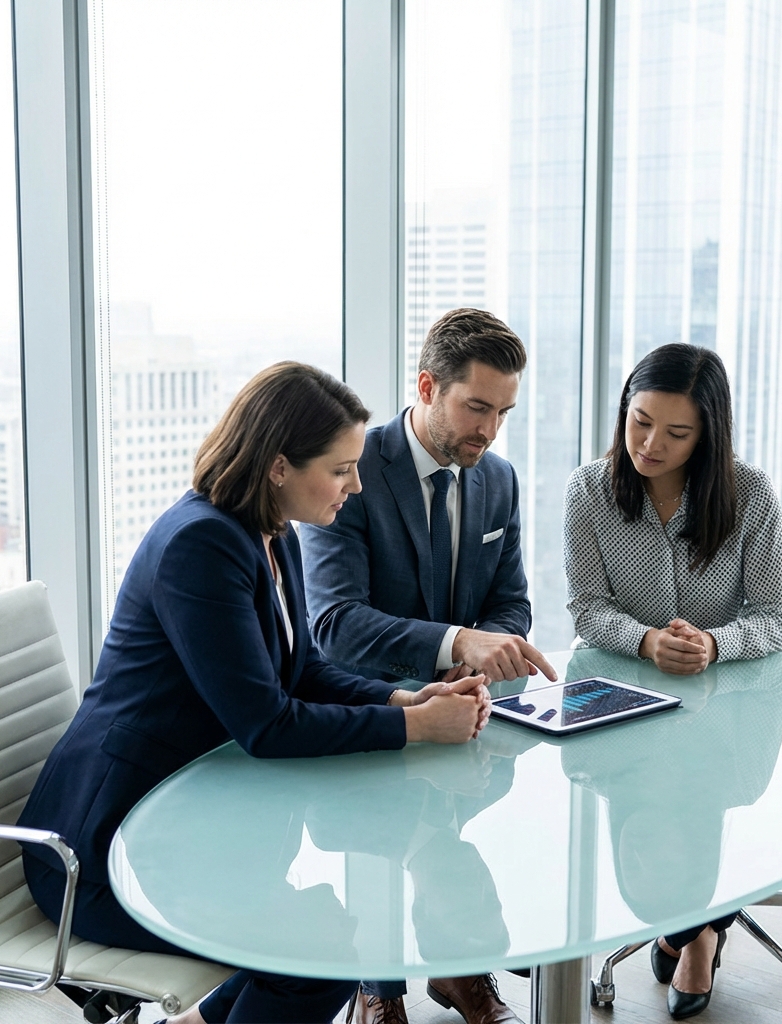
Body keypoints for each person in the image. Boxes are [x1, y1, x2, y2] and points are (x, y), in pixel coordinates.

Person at [16, 363, 491, 1024]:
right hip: (102, 855)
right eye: (339, 468)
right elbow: (266, 725)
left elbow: (299, 671)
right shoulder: (201, 546)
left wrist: (400, 703)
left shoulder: (271, 532)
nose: (356, 486)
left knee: (314, 938)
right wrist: (418, 731)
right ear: (277, 467)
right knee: (316, 951)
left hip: (183, 824)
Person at [302, 308, 555, 1024]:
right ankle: (383, 989)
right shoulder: (352, 470)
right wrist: (453, 645)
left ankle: (455, 967)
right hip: (367, 707)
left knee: (464, 818)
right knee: (405, 830)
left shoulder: (497, 480)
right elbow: (334, 625)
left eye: (504, 412)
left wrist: (480, 654)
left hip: (466, 711)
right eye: (477, 408)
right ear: (426, 386)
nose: (490, 430)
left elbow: (511, 604)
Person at [562, 342, 782, 1021]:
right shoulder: (589, 489)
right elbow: (585, 607)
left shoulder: (748, 494)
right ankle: (680, 924)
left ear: (708, 434)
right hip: (622, 698)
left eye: (676, 432)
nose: (650, 443)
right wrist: (644, 640)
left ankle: (696, 936)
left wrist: (713, 645)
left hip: (727, 704)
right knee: (639, 818)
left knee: (703, 800)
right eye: (639, 422)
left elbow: (776, 618)